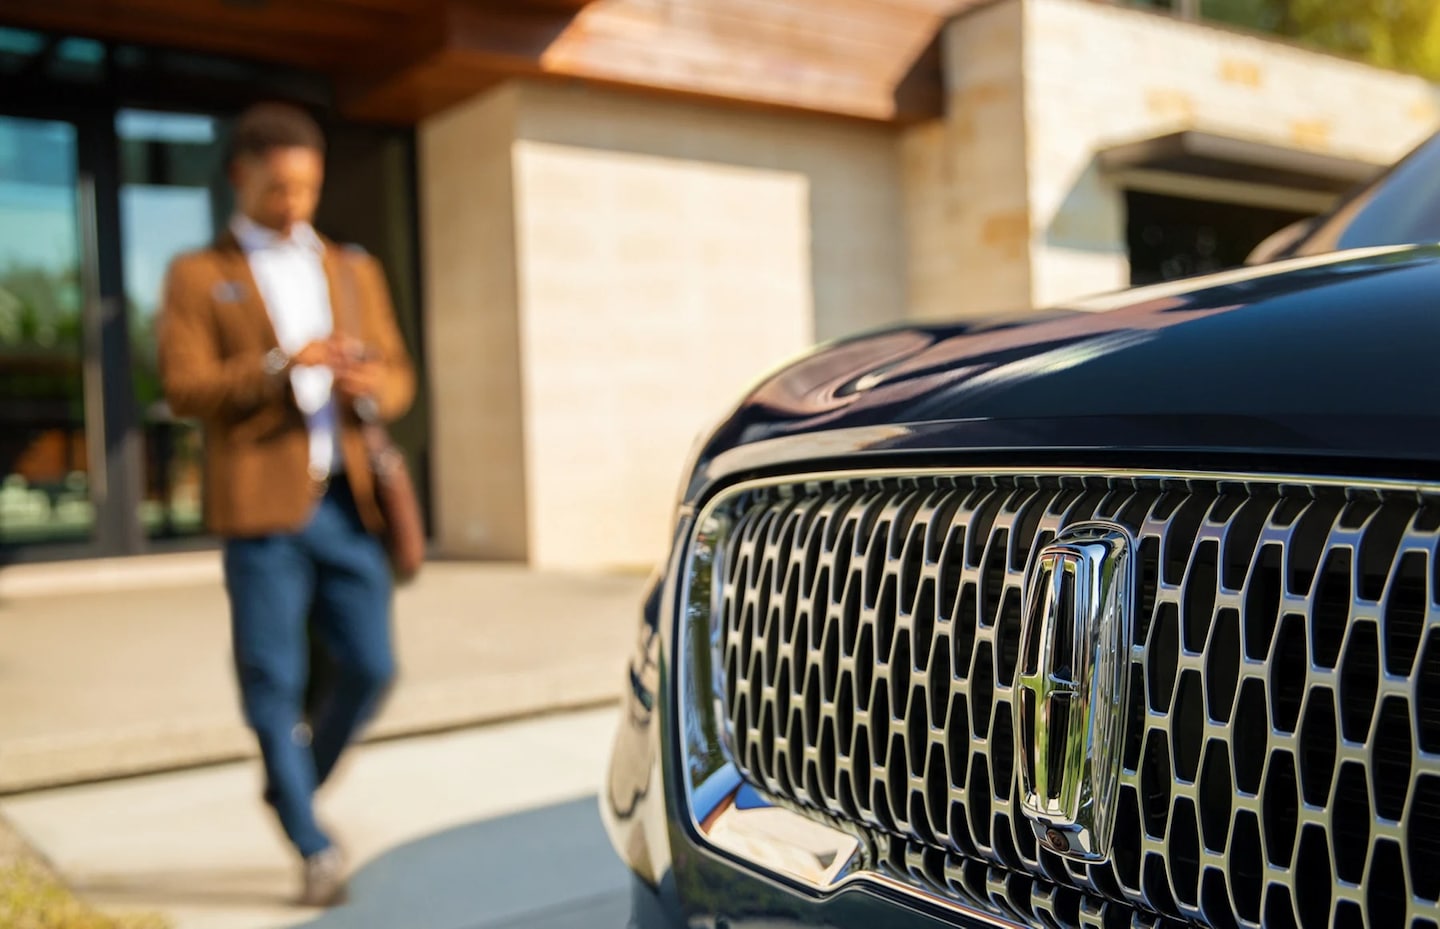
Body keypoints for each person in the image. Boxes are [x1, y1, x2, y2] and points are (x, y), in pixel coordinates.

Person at [156, 102, 415, 907]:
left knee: (372, 666)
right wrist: (281, 363)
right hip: (260, 508)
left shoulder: (352, 267)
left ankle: (290, 784)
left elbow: (400, 377)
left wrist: (371, 382)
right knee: (273, 675)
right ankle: (311, 841)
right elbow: (184, 387)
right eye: (279, 187)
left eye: (308, 186)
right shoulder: (198, 272)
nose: (295, 202)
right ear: (241, 176)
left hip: (347, 503)